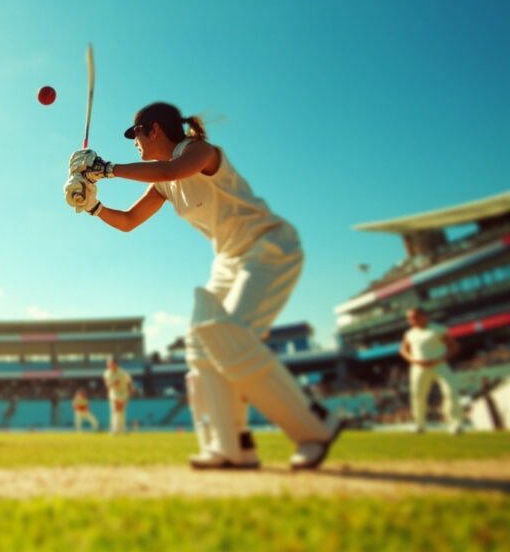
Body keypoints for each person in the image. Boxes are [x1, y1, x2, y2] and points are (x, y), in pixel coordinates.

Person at [64, 102, 343, 470]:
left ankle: (315, 426)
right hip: (229, 259)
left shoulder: (198, 151)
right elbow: (130, 220)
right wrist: (94, 206)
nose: (135, 143)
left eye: (136, 135)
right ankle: (232, 447)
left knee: (232, 338)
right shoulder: (162, 184)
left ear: (154, 129)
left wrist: (104, 169)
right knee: (200, 350)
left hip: (268, 246)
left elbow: (171, 168)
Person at [399, 308, 463, 434]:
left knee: (451, 392)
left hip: (439, 365)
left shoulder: (439, 329)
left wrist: (439, 359)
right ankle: (420, 425)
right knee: (417, 396)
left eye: (415, 317)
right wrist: (414, 360)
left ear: (425, 316)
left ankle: (455, 425)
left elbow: (454, 347)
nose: (412, 320)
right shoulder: (409, 334)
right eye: (410, 318)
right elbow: (403, 351)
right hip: (418, 368)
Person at [103, 360, 133, 435]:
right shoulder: (107, 373)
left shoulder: (123, 373)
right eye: (108, 365)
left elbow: (128, 382)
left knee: (121, 411)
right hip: (114, 393)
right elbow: (108, 384)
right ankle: (114, 429)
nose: (109, 366)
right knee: (115, 410)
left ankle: (122, 429)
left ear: (116, 364)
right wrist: (111, 385)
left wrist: (131, 390)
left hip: (123, 393)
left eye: (111, 364)